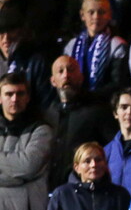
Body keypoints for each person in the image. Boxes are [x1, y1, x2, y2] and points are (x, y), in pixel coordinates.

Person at [44, 55, 117, 187]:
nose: (66, 75)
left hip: (86, 189)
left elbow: (112, 149)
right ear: (53, 81)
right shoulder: (48, 114)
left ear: (81, 77)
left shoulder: (97, 111)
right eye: (60, 71)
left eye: (71, 70)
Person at [0, 72, 52, 210]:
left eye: (20, 93)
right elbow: (22, 169)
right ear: (0, 98)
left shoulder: (42, 130)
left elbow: (27, 166)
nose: (15, 99)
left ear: (28, 97)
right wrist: (18, 178)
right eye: (9, 94)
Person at [62, 0, 130, 102]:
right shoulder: (71, 46)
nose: (96, 17)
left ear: (109, 15)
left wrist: (89, 97)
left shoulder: (117, 45)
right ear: (82, 15)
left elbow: (117, 84)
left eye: (102, 12)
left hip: (103, 105)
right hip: (75, 103)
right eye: (91, 12)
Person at [45, 142, 130, 210]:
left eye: (98, 160)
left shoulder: (120, 195)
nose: (93, 165)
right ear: (77, 167)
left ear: (105, 164)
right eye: (87, 161)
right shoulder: (62, 194)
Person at [0, 7, 53, 111]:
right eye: (1, 32)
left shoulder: (36, 62)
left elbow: (46, 103)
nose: (6, 38)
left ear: (21, 32)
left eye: (11, 31)